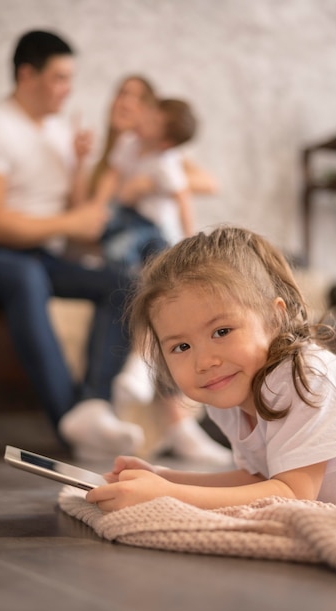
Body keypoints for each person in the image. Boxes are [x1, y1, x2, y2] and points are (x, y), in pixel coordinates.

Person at [0, 29, 145, 460]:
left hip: (44, 254)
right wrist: (69, 221)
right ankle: (69, 423)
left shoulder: (61, 130)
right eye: (59, 77)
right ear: (28, 75)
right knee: (26, 276)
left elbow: (78, 220)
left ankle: (95, 406)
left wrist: (78, 165)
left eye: (70, 78)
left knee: (123, 281)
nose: (68, 88)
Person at [85, 225, 336, 511]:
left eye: (222, 331)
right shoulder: (229, 389)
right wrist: (163, 478)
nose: (204, 362)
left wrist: (166, 494)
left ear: (275, 318)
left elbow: (292, 494)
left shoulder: (304, 379)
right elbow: (259, 479)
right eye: (181, 347)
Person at [74, 75, 232, 465]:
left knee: (162, 287)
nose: (129, 105)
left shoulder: (161, 154)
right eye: (122, 94)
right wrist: (86, 172)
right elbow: (88, 214)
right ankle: (175, 422)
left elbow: (204, 182)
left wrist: (149, 183)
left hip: (153, 242)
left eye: (139, 99)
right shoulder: (111, 157)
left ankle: (152, 387)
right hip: (120, 245)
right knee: (142, 287)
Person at [95, 96, 197, 272]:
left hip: (152, 225)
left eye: (153, 122)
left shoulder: (164, 163)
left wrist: (189, 240)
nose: (143, 119)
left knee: (125, 253)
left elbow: (183, 198)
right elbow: (112, 174)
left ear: (165, 143)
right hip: (126, 214)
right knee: (109, 232)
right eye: (149, 113)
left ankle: (131, 283)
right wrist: (98, 205)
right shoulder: (128, 141)